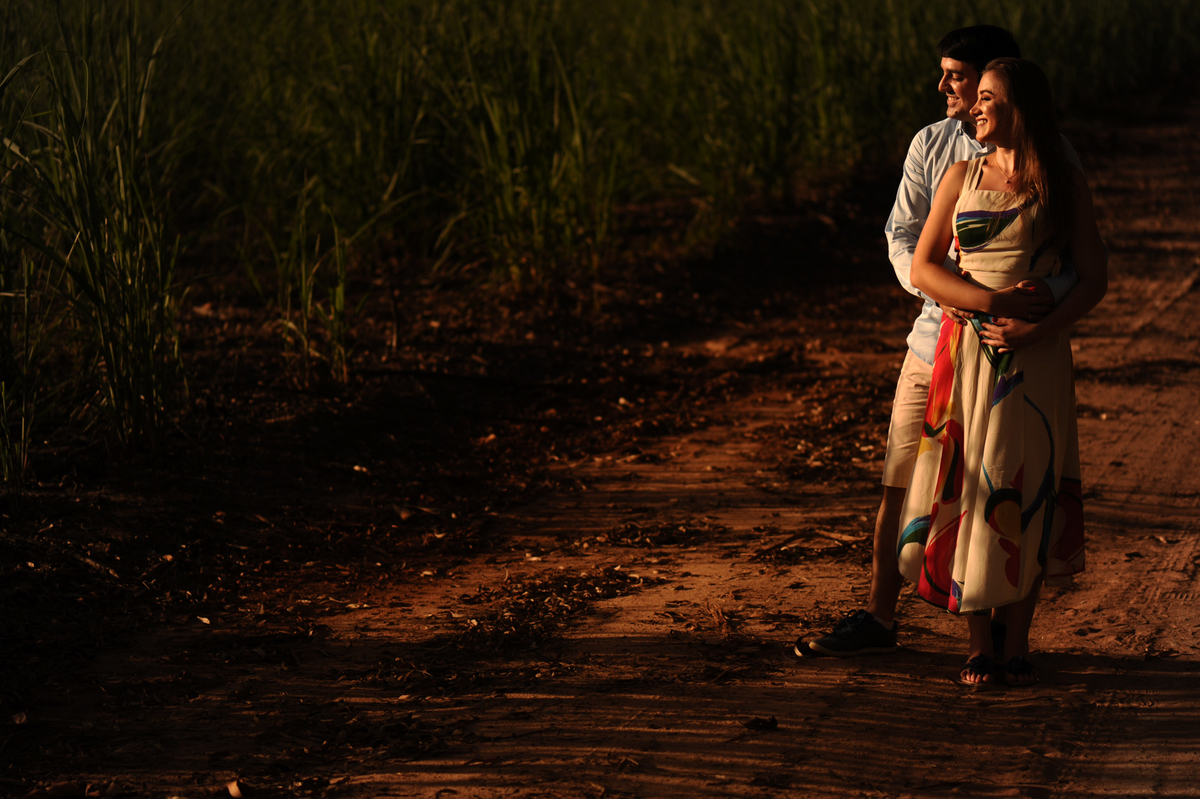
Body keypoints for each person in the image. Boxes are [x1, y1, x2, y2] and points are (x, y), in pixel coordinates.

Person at [795, 26, 1085, 659]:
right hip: (936, 340)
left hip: (1013, 348)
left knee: (1004, 479)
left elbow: (1070, 256)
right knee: (906, 476)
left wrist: (1035, 297)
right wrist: (955, 292)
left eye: (959, 76)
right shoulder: (932, 147)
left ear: (999, 80)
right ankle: (880, 615)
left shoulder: (1052, 155)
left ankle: (1001, 620)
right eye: (951, 77)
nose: (947, 87)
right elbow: (904, 239)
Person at [898, 56, 1106, 685]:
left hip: (1035, 357)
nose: (977, 107)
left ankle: (1016, 645)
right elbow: (924, 269)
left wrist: (1036, 327)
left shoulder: (1061, 182)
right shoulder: (961, 174)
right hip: (963, 349)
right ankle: (978, 643)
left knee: (1025, 487)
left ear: (1022, 107)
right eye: (978, 96)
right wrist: (991, 304)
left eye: (990, 97)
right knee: (966, 486)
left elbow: (1094, 280)